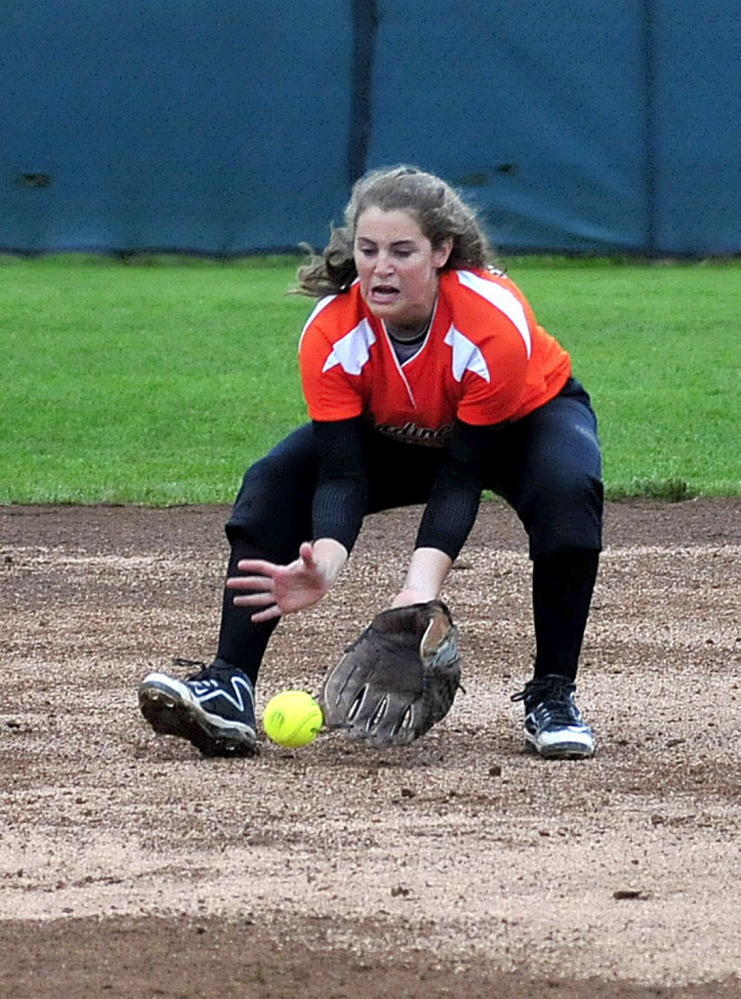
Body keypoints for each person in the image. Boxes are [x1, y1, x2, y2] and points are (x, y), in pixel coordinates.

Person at [138, 165, 603, 760]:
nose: (381, 267)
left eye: (402, 251)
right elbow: (341, 473)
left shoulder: (491, 325)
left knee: (567, 491)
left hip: (523, 424)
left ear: (442, 252)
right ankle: (231, 682)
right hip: (398, 432)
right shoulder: (332, 332)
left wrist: (417, 592)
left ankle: (552, 694)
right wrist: (323, 566)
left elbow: (462, 475)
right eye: (368, 249)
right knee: (275, 481)